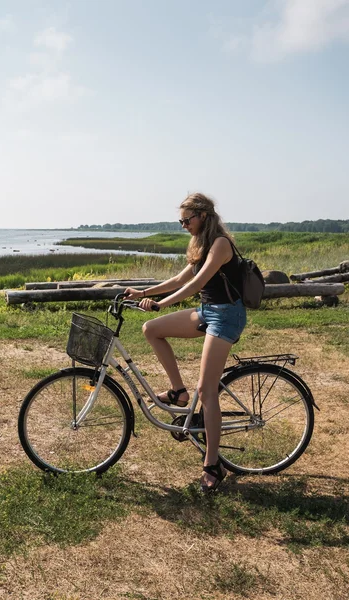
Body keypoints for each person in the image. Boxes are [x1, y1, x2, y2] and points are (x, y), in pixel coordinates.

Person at [124, 192, 247, 493]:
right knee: (151, 329)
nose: (182, 225)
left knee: (207, 392)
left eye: (186, 220)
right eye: (180, 221)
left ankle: (213, 463)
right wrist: (143, 294)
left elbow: (197, 284)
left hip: (226, 316)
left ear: (203, 215)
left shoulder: (220, 244)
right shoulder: (201, 244)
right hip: (207, 311)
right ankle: (179, 392)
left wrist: (162, 304)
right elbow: (179, 280)